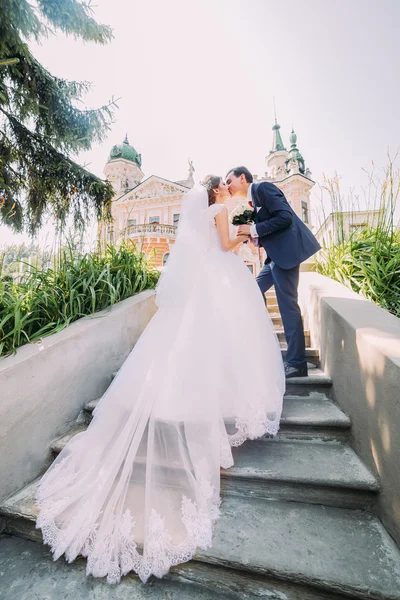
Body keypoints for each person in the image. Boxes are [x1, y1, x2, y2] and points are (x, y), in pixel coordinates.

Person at [35, 176, 285, 584]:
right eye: (224, 185)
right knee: (224, 341)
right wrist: (243, 235)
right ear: (218, 191)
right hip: (220, 279)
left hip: (201, 286)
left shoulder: (202, 212)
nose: (226, 188)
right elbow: (222, 247)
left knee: (190, 345)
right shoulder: (220, 211)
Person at [226, 166, 321, 378]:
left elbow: (285, 217)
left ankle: (297, 363)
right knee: (252, 289)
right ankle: (259, 334)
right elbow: (273, 228)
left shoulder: (263, 188)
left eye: (229, 180)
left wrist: (252, 229)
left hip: (285, 256)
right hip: (273, 259)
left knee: (288, 307)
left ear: (242, 178)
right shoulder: (253, 200)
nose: (228, 186)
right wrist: (255, 237)